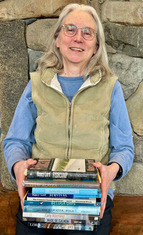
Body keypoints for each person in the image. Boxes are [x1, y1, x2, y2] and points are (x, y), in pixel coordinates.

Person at [3, 3, 134, 235]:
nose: (78, 38)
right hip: (40, 193)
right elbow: (15, 141)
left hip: (92, 195)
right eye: (70, 29)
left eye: (87, 33)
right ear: (57, 38)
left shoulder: (110, 87)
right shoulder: (36, 85)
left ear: (95, 46)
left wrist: (111, 171)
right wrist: (18, 165)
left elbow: (124, 148)